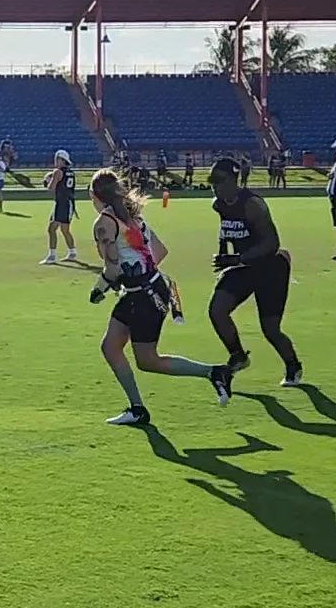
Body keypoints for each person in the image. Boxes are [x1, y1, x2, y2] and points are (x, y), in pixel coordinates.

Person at [87, 168, 232, 427]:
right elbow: (160, 251)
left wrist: (98, 290)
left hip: (143, 297)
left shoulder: (104, 223)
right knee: (110, 346)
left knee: (148, 360)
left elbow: (113, 270)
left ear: (94, 195)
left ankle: (214, 372)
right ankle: (137, 409)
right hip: (148, 290)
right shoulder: (131, 215)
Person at [207, 157, 304, 390]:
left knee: (270, 329)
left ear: (234, 180)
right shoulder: (218, 204)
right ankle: (238, 356)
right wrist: (224, 255)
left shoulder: (252, 205)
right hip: (243, 267)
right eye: (212, 181)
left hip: (271, 269)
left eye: (219, 180)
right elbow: (226, 230)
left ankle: (293, 364)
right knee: (217, 311)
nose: (215, 186)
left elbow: (272, 243)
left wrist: (237, 259)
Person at [41, 150, 80, 265]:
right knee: (64, 229)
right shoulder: (71, 172)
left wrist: (49, 180)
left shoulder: (58, 172)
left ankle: (52, 255)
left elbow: (51, 188)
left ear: (61, 160)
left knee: (52, 229)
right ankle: (72, 252)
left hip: (61, 203)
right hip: (69, 202)